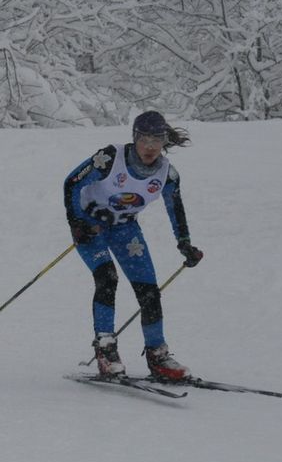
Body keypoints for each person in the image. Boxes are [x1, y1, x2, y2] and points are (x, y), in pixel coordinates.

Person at [63, 111, 203, 380]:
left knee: (149, 290)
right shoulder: (109, 159)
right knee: (107, 277)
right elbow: (72, 183)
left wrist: (184, 243)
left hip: (125, 229)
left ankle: (158, 355)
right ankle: (105, 350)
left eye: (157, 139)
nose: (150, 147)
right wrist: (76, 223)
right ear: (135, 138)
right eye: (144, 139)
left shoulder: (167, 174)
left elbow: (176, 209)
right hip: (91, 227)